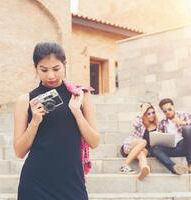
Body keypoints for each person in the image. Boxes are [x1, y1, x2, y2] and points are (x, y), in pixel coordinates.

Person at [13, 42, 100, 200]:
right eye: (44, 70)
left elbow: (94, 141)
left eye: (56, 68)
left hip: (72, 183)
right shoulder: (25, 101)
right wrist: (34, 122)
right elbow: (19, 152)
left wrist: (76, 111)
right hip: (35, 185)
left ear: (65, 64)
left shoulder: (81, 95)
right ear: (35, 68)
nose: (51, 75)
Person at [150, 98, 191, 175]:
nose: (168, 112)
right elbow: (160, 138)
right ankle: (174, 168)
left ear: (173, 107)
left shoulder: (183, 115)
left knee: (187, 129)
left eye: (169, 109)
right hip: (176, 148)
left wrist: (183, 123)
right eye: (165, 111)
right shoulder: (162, 123)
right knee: (154, 148)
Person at [119, 103, 158, 181]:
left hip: (144, 150)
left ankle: (144, 168)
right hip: (130, 146)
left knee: (141, 153)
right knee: (143, 142)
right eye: (148, 113)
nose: (151, 115)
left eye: (153, 112)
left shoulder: (158, 126)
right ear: (144, 115)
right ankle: (124, 165)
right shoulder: (141, 123)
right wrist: (142, 112)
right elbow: (135, 124)